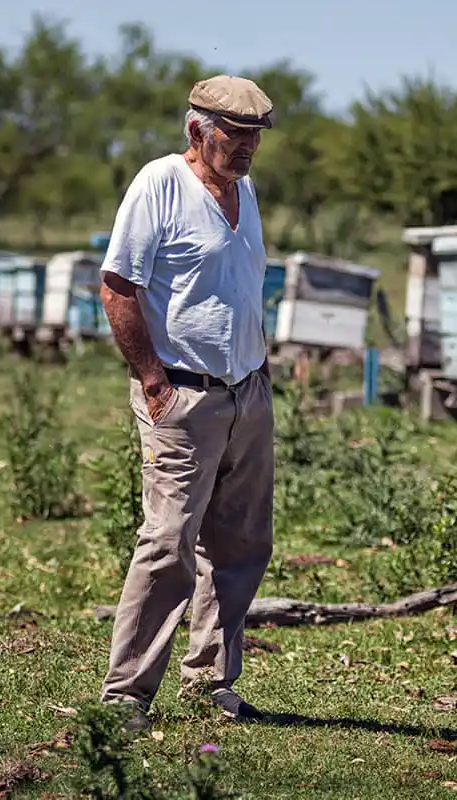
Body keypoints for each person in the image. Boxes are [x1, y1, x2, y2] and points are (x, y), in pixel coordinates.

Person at [97, 74, 277, 731]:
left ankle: (210, 686)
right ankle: (126, 697)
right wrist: (151, 380)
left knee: (240, 543)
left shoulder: (246, 193)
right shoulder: (160, 184)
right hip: (182, 394)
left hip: (248, 394)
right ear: (197, 131)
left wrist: (262, 367)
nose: (247, 149)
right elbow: (118, 285)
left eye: (255, 138)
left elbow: (237, 288)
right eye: (236, 136)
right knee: (168, 543)